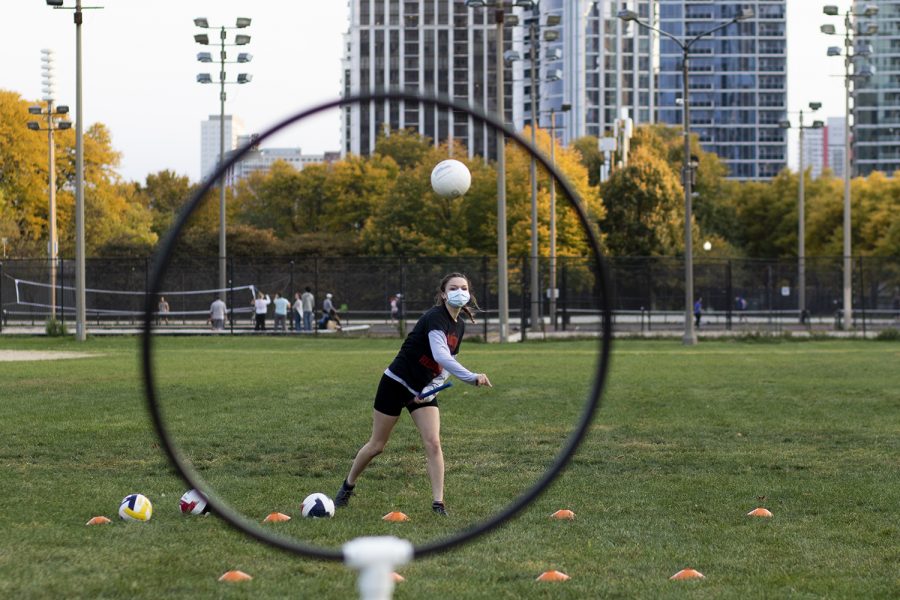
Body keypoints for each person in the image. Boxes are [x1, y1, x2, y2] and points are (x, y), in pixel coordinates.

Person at [334, 273, 493, 517]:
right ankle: (348, 486)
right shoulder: (434, 318)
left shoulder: (459, 325)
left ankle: (438, 504)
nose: (460, 291)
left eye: (464, 288)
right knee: (377, 445)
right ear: (443, 294)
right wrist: (471, 377)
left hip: (423, 388)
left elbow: (447, 364)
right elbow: (441, 356)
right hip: (396, 383)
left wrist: (429, 390)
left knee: (434, 442)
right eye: (453, 288)